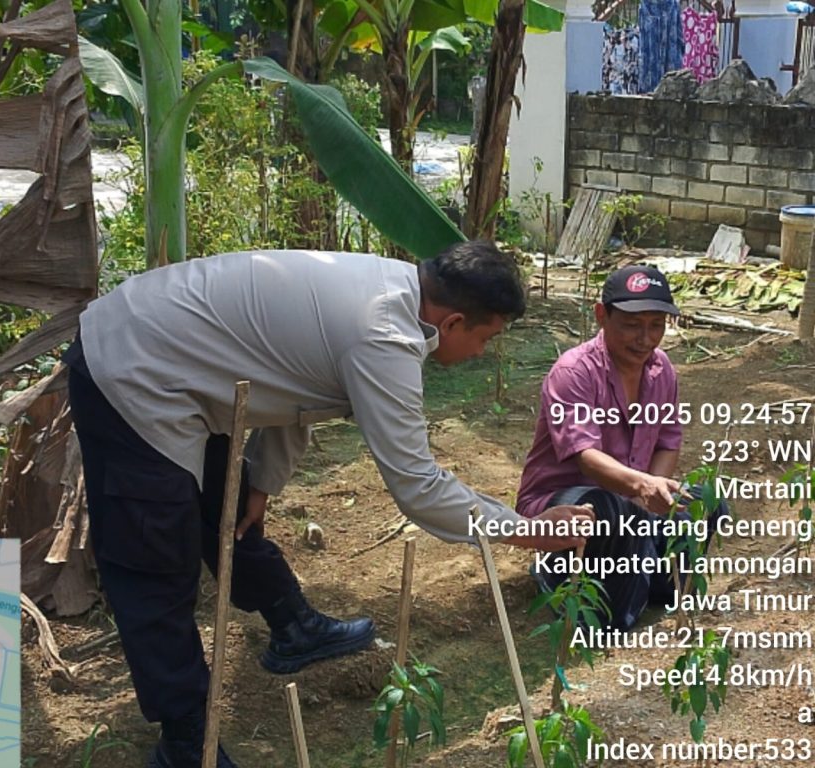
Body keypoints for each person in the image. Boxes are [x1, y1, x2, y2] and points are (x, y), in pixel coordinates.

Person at [63, 241, 593, 768]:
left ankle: (293, 627)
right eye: (486, 338)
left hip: (180, 353)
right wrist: (525, 530)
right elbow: (418, 484)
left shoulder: (389, 285)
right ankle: (184, 741)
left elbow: (294, 383)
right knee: (156, 557)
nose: (482, 353)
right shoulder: (383, 336)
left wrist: (263, 483)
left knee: (227, 501)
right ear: (453, 321)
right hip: (132, 366)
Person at [516, 265, 727, 631]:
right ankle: (561, 577)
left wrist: (653, 494)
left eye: (656, 325)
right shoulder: (574, 371)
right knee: (605, 509)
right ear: (602, 315)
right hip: (563, 502)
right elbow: (586, 458)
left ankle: (657, 587)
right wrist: (640, 489)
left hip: (630, 501)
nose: (645, 338)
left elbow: (667, 440)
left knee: (706, 501)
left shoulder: (662, 371)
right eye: (632, 324)